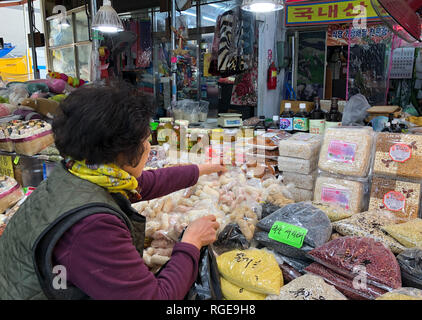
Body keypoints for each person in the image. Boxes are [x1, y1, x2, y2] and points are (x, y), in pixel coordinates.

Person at [0, 81, 227, 300]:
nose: (149, 148)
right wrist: (191, 243)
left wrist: (200, 169)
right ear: (120, 151)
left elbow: (143, 184)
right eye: (146, 141)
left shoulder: (78, 171)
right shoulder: (93, 225)